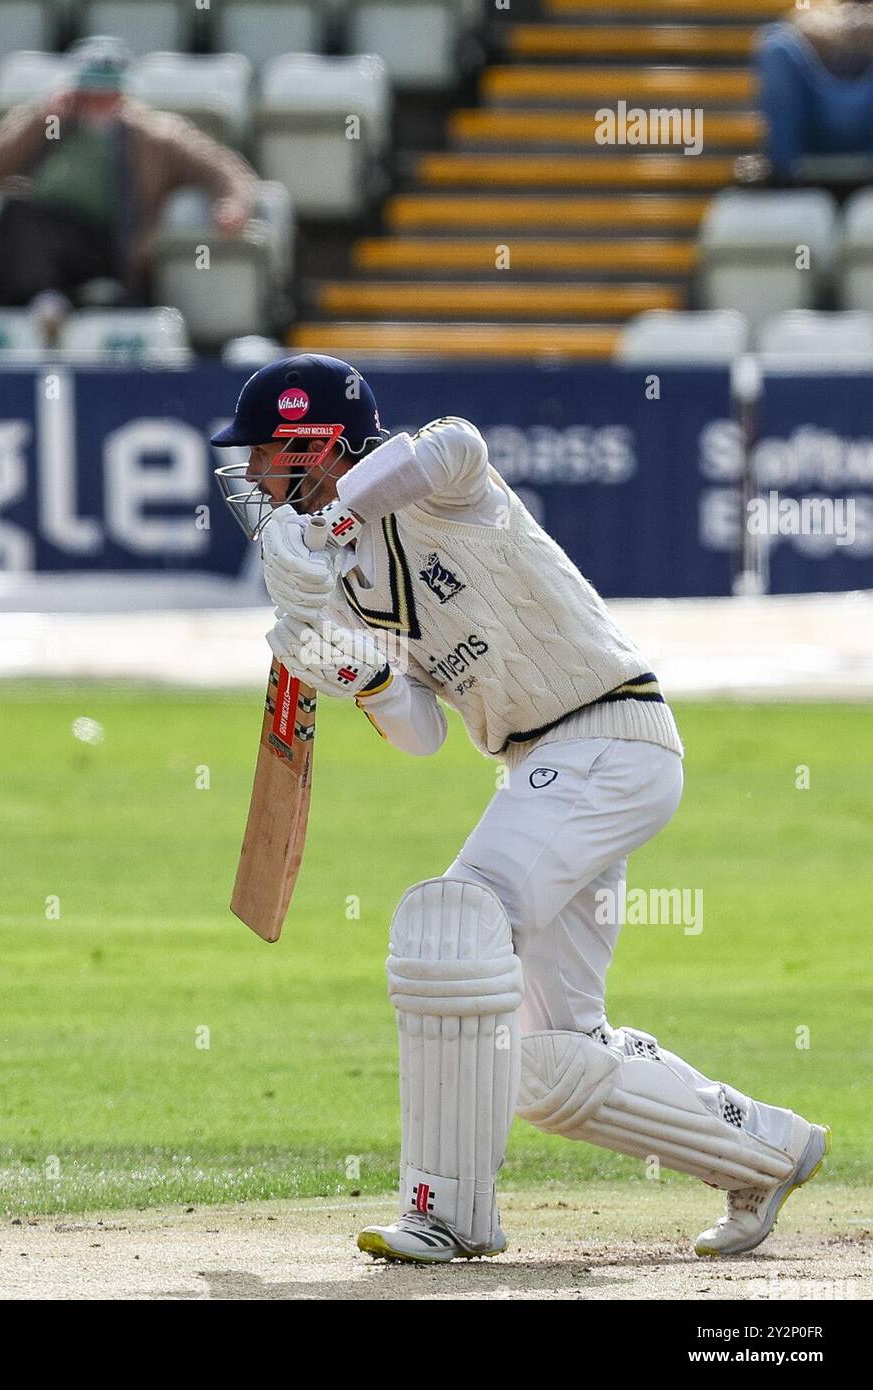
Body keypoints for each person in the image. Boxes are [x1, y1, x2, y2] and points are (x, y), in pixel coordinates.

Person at [211, 354, 829, 1264]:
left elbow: (456, 442)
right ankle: (765, 1148)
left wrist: (336, 517)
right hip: (543, 765)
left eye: (270, 455)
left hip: (609, 733)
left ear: (322, 444)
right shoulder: (345, 577)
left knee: (450, 926)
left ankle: (447, 1211)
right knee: (551, 1065)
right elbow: (421, 733)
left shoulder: (438, 491)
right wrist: (363, 675)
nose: (259, 478)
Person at [0, 36, 259, 306]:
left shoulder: (156, 135)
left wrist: (232, 204)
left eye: (106, 94)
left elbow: (222, 166)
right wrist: (41, 120)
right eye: (89, 93)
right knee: (16, 215)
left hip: (117, 246)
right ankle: (42, 305)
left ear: (122, 94)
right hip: (47, 239)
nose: (97, 101)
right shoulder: (50, 123)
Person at [757, 1, 873, 180]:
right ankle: (784, 173)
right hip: (815, 109)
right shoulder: (814, 8)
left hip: (866, 113)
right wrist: (839, 32)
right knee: (776, 46)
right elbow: (798, 25)